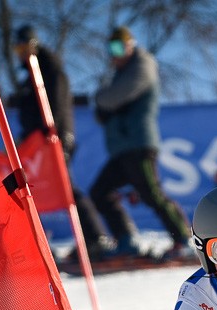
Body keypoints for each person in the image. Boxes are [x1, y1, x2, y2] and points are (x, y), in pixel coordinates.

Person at [10, 25, 114, 260]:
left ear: (34, 46)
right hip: (38, 142)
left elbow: (56, 104)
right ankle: (43, 242)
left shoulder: (50, 69)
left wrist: (53, 134)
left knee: (65, 188)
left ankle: (96, 237)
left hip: (52, 139)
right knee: (39, 190)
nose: (20, 53)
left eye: (24, 47)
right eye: (17, 49)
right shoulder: (30, 75)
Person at [91, 26, 192, 261]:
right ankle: (126, 239)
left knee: (152, 194)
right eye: (110, 48)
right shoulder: (121, 73)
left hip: (138, 145)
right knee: (100, 192)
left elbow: (111, 99)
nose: (114, 54)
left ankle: (184, 240)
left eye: (119, 47)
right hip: (122, 149)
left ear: (131, 45)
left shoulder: (142, 65)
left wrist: (102, 100)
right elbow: (107, 106)